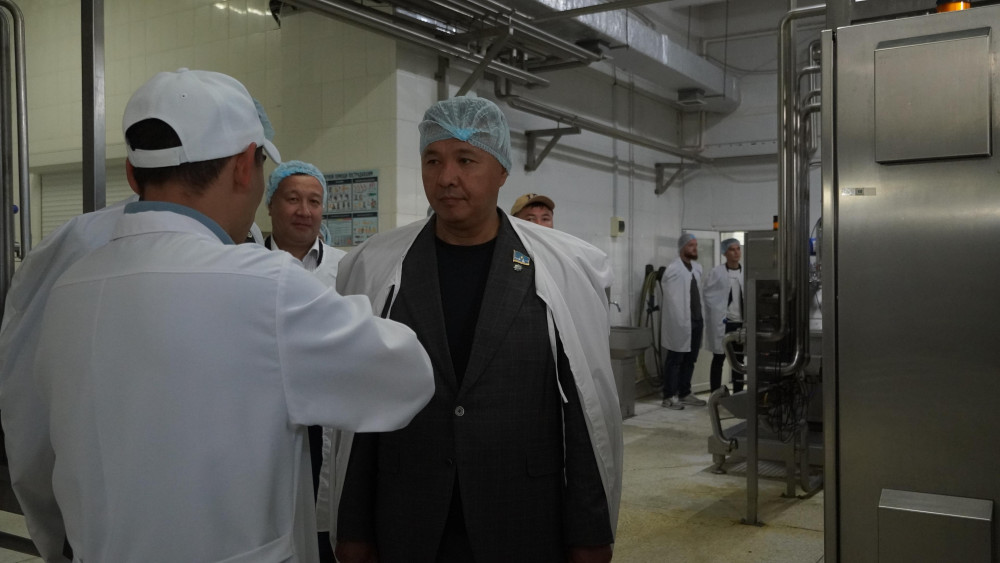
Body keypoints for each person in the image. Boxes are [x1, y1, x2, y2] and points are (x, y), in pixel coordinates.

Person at [7, 68, 434, 562]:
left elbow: (31, 441)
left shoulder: (69, 289)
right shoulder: (265, 286)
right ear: (243, 167)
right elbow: (408, 376)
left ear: (132, 174)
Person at [333, 96, 622, 563]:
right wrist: (354, 527)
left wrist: (589, 533)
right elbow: (362, 406)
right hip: (408, 521)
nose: (447, 177)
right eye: (433, 160)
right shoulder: (379, 267)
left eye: (466, 160)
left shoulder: (561, 270)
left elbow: (585, 410)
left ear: (502, 169)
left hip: (523, 521)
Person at [264, 159, 347, 562]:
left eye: (314, 201)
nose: (304, 210)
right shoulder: (243, 263)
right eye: (292, 199)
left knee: (323, 528)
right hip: (267, 414)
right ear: (270, 204)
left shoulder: (347, 267)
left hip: (328, 417)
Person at [661, 232, 708, 410]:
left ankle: (684, 393)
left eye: (695, 245)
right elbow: (672, 298)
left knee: (690, 359)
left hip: (696, 320)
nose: (695, 248)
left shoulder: (697, 268)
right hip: (680, 322)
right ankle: (669, 396)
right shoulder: (673, 269)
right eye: (691, 245)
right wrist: (679, 319)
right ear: (682, 248)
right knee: (675, 359)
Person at [704, 238, 745, 393]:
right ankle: (715, 393)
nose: (736, 252)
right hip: (724, 323)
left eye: (738, 248)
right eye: (732, 249)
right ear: (724, 253)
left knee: (739, 360)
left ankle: (738, 393)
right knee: (719, 358)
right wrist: (717, 311)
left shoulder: (746, 272)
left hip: (740, 323)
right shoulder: (717, 272)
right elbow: (708, 295)